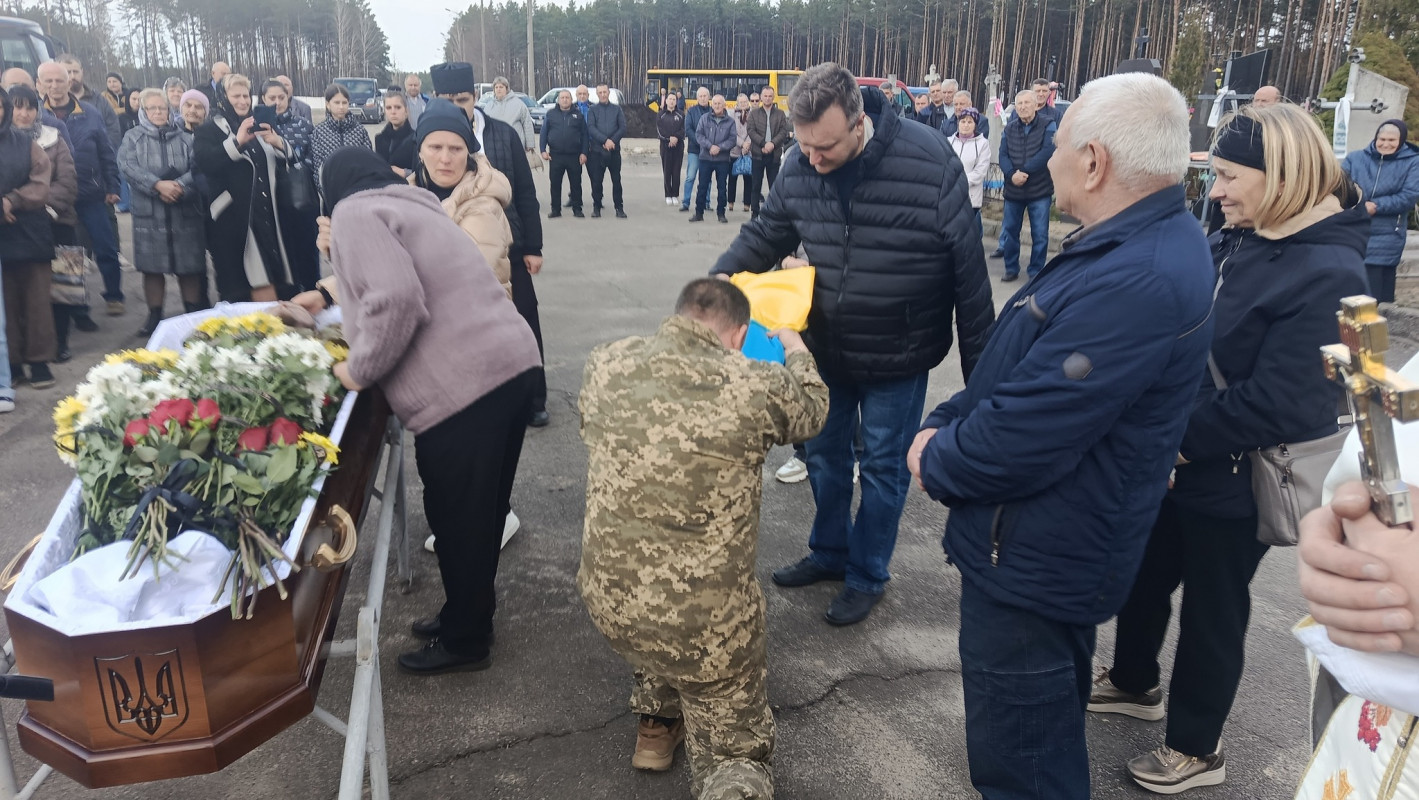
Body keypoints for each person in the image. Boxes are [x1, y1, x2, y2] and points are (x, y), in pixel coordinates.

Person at [906, 73, 1214, 800]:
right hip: (1045, 546)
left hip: (1034, 561)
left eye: (1060, 141)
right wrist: (948, 417)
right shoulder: (1135, 245)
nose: (1046, 156)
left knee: (1024, 766)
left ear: (1094, 162)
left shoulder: (1135, 276)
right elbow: (1028, 376)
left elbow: (1024, 434)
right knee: (1035, 734)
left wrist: (935, 453)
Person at [1088, 103, 1369, 795]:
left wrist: (1170, 445)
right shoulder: (1235, 236)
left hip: (1234, 480)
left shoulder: (1328, 270)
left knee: (1214, 611)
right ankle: (1132, 681)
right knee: (1144, 576)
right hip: (1174, 464)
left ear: (1281, 177)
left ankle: (1195, 746)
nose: (1214, 191)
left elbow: (1282, 403)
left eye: (1227, 176)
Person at [713, 63, 994, 625]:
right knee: (824, 456)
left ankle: (868, 572)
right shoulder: (799, 164)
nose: (813, 158)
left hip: (901, 351)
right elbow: (765, 233)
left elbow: (970, 272)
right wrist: (715, 288)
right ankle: (829, 551)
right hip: (825, 349)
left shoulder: (929, 159)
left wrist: (982, 379)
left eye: (826, 147)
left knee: (885, 466)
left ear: (860, 123)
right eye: (805, 145)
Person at [578, 278, 828, 798]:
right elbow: (812, 410)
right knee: (734, 753)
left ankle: (656, 723)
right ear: (737, 335)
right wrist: (797, 348)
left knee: (655, 590)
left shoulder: (606, 363)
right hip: (705, 626)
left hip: (610, 599)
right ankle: (724, 764)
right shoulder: (753, 383)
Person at [319, 146, 541, 675]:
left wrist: (359, 369)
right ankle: (465, 614)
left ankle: (467, 641)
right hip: (512, 367)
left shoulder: (355, 212)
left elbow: (395, 298)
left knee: (457, 516)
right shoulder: (418, 206)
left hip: (465, 388)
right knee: (480, 513)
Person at [431, 61, 550, 428]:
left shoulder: (501, 134)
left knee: (524, 321)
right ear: (435, 99)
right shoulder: (428, 141)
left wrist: (533, 246)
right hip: (449, 254)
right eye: (447, 100)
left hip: (509, 248)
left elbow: (526, 194)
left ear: (475, 97)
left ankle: (533, 399)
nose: (455, 107)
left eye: (462, 99)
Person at [193, 73, 293, 302]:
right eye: (235, 95)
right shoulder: (209, 129)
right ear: (223, 98)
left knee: (270, 276)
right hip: (232, 218)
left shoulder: (260, 123)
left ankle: (271, 328)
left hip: (267, 214)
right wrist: (236, 141)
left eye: (246, 95)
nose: (242, 101)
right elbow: (205, 162)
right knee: (240, 283)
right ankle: (251, 328)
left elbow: (287, 161)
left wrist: (279, 144)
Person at [118, 88, 208, 336]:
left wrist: (179, 186)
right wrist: (157, 185)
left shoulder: (185, 137)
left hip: (184, 211)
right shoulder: (132, 137)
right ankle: (155, 316)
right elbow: (127, 167)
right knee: (152, 269)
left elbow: (198, 167)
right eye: (152, 108)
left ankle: (193, 315)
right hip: (149, 214)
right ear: (143, 111)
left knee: (189, 268)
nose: (158, 112)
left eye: (163, 108)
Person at [38, 61, 122, 319]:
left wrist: (112, 184)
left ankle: (114, 295)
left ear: (69, 82)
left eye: (59, 80)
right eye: (48, 81)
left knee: (106, 247)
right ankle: (79, 308)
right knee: (70, 254)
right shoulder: (38, 116)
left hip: (91, 192)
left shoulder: (89, 112)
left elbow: (106, 150)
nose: (54, 86)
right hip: (58, 198)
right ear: (40, 84)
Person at [10, 86, 78, 364]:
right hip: (17, 225)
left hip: (57, 219)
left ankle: (61, 341)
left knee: (62, 286)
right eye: (18, 107)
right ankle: (24, 346)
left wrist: (41, 206)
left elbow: (68, 181)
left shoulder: (54, 137)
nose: (24, 113)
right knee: (24, 289)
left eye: (30, 107)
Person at [0, 86, 57, 389]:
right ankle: (12, 363)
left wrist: (11, 201)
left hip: (30, 231)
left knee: (36, 301)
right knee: (4, 304)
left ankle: (38, 361)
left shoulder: (26, 144)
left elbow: (41, 182)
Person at [1341, 119, 1419, 303]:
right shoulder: (1355, 158)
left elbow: (1409, 195)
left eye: (1392, 140)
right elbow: (1340, 185)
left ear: (1401, 141)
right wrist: (1356, 203)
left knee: (1375, 295)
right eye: (1381, 139)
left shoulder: (1413, 162)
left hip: (1387, 233)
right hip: (1354, 228)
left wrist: (1376, 206)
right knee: (1348, 289)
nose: (1385, 144)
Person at [261, 79, 320, 293]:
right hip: (268, 202)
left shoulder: (303, 126)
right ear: (263, 100)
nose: (277, 102)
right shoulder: (255, 128)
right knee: (280, 255)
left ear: (289, 98)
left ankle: (313, 297)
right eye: (272, 98)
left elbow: (313, 161)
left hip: (299, 200)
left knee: (306, 252)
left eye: (281, 97)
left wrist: (283, 147)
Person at [998, 89, 1057, 281]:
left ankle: (1036, 271)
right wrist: (1011, 174)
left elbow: (1048, 150)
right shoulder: (1009, 128)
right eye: (1019, 104)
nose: (1023, 107)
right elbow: (1003, 154)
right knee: (1010, 232)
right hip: (1013, 189)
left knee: (1039, 234)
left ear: (1035, 105)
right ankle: (1011, 268)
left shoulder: (1048, 124)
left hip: (1039, 189)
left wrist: (1025, 171)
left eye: (1026, 103)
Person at [310, 83, 372, 192]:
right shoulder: (319, 132)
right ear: (328, 104)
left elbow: (368, 161)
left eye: (344, 102)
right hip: (331, 192)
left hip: (357, 191)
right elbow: (318, 167)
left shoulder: (359, 130)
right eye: (337, 103)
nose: (341, 107)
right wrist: (325, 192)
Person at [540, 89, 587, 218]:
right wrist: (543, 150)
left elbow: (584, 136)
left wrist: (584, 153)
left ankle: (577, 209)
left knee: (576, 184)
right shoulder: (550, 114)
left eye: (567, 97)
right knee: (555, 184)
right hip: (556, 155)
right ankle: (555, 210)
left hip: (574, 155)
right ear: (558, 100)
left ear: (571, 100)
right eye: (562, 98)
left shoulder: (578, 115)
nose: (565, 100)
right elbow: (544, 133)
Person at [690, 94, 736, 224]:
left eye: (719, 104)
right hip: (706, 158)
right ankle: (699, 213)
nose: (717, 106)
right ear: (712, 105)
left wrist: (719, 148)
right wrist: (710, 146)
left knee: (722, 188)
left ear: (724, 105)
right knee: (702, 186)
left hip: (722, 160)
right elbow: (699, 135)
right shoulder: (704, 119)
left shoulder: (730, 122)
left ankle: (721, 213)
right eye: (715, 103)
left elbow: (732, 140)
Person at [746, 84, 789, 218]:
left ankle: (774, 211)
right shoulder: (753, 114)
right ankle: (755, 212)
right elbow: (751, 131)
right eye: (765, 96)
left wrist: (772, 144)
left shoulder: (780, 114)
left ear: (773, 97)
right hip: (758, 154)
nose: (768, 98)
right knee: (756, 184)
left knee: (774, 185)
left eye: (770, 96)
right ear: (761, 97)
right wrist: (764, 144)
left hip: (774, 154)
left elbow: (783, 131)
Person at [585, 83, 627, 219]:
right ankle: (596, 207)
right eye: (600, 92)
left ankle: (619, 208)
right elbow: (591, 128)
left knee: (617, 180)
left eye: (605, 92)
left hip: (614, 151)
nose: (603, 94)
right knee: (597, 181)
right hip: (597, 152)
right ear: (597, 94)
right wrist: (604, 140)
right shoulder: (592, 110)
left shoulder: (617, 109)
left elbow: (623, 127)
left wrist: (612, 141)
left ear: (609, 93)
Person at [59, 56, 120, 150]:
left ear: (82, 71)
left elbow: (113, 130)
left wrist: (102, 151)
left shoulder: (100, 100)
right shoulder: (53, 103)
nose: (72, 76)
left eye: (75, 72)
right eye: (68, 72)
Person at [950, 107, 990, 241]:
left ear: (975, 125)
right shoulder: (949, 141)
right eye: (963, 121)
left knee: (971, 235)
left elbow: (980, 171)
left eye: (969, 122)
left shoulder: (982, 144)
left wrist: (961, 181)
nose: (966, 125)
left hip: (970, 195)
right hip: (950, 193)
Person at [482, 76, 535, 152]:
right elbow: (484, 126)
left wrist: (530, 144)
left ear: (507, 89)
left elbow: (527, 123)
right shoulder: (488, 106)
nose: (498, 89)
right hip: (495, 147)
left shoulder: (518, 104)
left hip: (515, 146)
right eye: (496, 87)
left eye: (501, 87)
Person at [680, 86, 712, 212]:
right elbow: (688, 129)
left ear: (709, 97)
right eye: (701, 96)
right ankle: (686, 202)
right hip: (695, 149)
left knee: (707, 178)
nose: (703, 98)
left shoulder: (713, 110)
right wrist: (700, 142)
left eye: (705, 96)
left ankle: (707, 202)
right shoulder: (691, 111)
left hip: (709, 151)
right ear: (697, 97)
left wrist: (708, 144)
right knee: (690, 176)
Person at [375, 88, 416, 170]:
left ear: (406, 111)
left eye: (398, 107)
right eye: (389, 108)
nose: (393, 112)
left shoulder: (415, 139)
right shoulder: (380, 139)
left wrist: (405, 173)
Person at [656, 91, 685, 204]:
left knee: (676, 170)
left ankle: (675, 194)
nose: (672, 101)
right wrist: (669, 139)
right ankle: (668, 194)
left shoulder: (681, 114)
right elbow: (659, 131)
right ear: (666, 101)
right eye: (670, 99)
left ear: (676, 101)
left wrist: (676, 138)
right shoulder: (661, 114)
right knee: (667, 170)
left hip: (678, 146)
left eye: (674, 99)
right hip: (665, 146)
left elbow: (683, 130)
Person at [725, 92, 752, 212]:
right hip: (734, 151)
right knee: (732, 178)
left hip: (749, 151)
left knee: (748, 178)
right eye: (741, 102)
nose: (743, 104)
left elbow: (754, 131)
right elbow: (731, 133)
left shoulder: (753, 115)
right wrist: (742, 144)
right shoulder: (731, 115)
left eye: (745, 102)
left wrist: (747, 145)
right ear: (737, 103)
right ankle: (730, 202)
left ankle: (747, 203)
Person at [115, 88, 141, 212]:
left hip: (143, 151)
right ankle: (124, 204)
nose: (137, 102)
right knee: (124, 177)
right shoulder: (121, 118)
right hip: (125, 151)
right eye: (134, 99)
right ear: (128, 100)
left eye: (140, 99)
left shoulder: (145, 117)